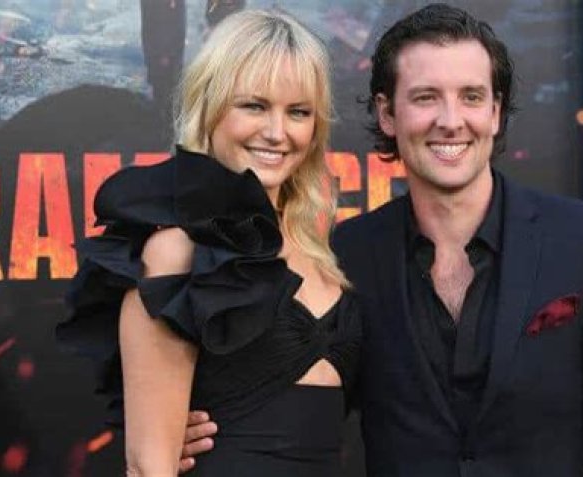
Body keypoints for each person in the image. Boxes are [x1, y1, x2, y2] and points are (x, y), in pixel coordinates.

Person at [181, 3, 583, 476]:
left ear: (496, 112)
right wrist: (189, 429)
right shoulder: (346, 255)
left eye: (471, 96)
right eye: (425, 97)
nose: (451, 120)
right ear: (387, 114)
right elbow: (303, 401)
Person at [57, 9, 359, 477]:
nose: (277, 132)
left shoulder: (321, 253)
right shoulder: (178, 250)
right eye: (254, 106)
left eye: (298, 112)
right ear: (211, 106)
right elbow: (148, 466)